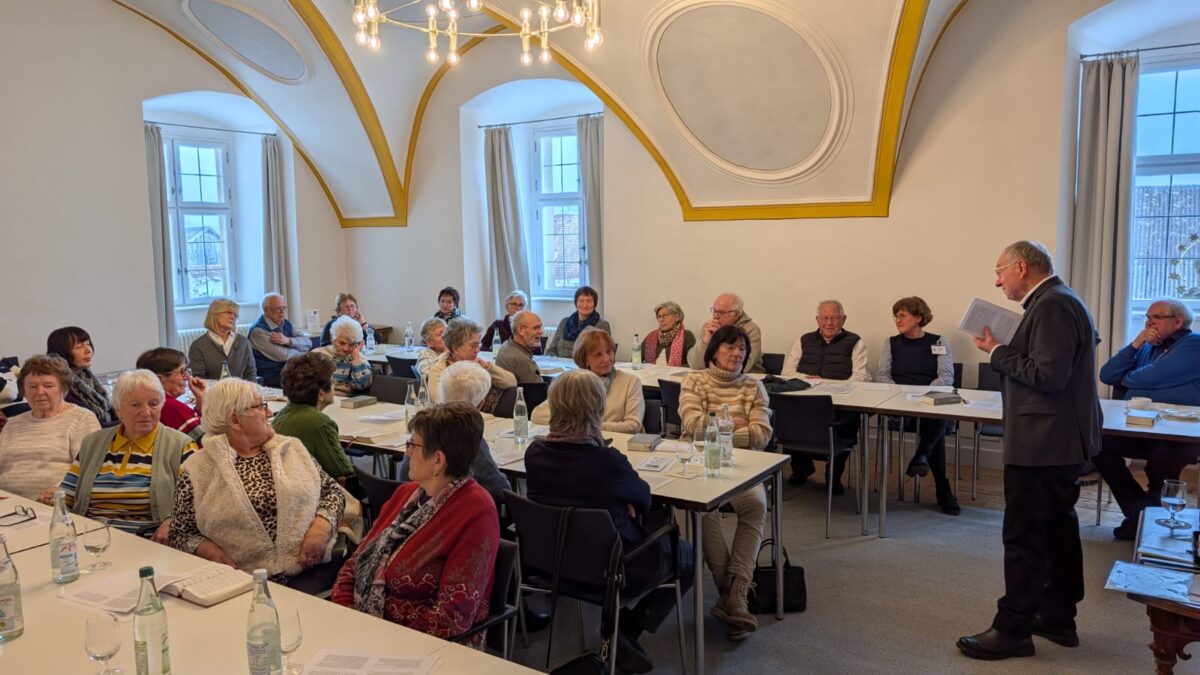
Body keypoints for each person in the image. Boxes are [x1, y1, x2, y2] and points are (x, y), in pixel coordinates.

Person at [958, 240, 1101, 660]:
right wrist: (1003, 348)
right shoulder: (1060, 299)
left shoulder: (1053, 304)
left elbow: (1049, 375)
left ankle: (1013, 629)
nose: (997, 279)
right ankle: (1057, 616)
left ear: (1022, 267)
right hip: (1056, 440)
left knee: (1024, 535)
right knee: (1057, 528)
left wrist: (998, 352)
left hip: (1044, 442)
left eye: (1000, 270)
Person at [525, 370, 693, 672]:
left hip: (554, 562)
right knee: (690, 556)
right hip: (615, 566)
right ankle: (627, 628)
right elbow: (643, 499)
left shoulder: (535, 453)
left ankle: (619, 631)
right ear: (597, 408)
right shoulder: (607, 461)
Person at [332, 403, 500, 646]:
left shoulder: (476, 511)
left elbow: (452, 616)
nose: (407, 451)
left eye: (412, 444)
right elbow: (355, 563)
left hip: (424, 647)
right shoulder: (406, 495)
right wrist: (345, 615)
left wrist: (380, 640)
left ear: (438, 460)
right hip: (365, 631)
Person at [169, 378, 345, 591]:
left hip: (308, 570)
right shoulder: (197, 469)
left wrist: (321, 528)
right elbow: (180, 533)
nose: (269, 412)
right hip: (239, 581)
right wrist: (208, 551)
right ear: (235, 420)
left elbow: (333, 491)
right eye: (260, 406)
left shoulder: (291, 448)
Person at [679, 325, 771, 640]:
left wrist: (716, 423)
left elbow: (762, 436)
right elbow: (692, 427)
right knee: (705, 510)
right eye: (730, 347)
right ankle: (734, 597)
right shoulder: (694, 380)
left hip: (745, 467)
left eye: (742, 349)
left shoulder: (754, 386)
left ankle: (733, 594)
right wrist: (735, 423)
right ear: (714, 349)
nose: (737, 354)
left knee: (757, 505)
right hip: (701, 464)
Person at [1095, 298, 1200, 539]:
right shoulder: (1147, 346)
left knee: (1162, 461)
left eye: (1156, 317)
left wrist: (1129, 381)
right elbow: (1108, 374)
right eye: (1147, 317)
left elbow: (1146, 379)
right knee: (1097, 444)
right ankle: (1141, 514)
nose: (1149, 323)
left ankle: (1143, 522)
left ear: (1178, 321)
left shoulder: (1194, 344)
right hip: (1143, 427)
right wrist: (1135, 344)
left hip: (1181, 432)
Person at [57, 370, 197, 540]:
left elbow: (197, 503)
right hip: (92, 539)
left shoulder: (181, 445)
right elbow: (67, 497)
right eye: (135, 405)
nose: (146, 412)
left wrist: (172, 522)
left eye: (153, 404)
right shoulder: (93, 443)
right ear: (118, 409)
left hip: (150, 543)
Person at [874, 297, 960, 515]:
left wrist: (922, 395)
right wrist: (900, 395)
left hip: (927, 400)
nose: (897, 320)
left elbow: (946, 377)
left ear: (919, 317)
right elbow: (882, 375)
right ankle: (940, 485)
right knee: (936, 425)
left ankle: (924, 459)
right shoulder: (890, 343)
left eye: (902, 315)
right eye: (896, 316)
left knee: (935, 414)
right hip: (898, 403)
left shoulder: (939, 341)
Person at [780, 300, 870, 490]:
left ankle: (834, 475)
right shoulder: (803, 340)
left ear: (843, 320)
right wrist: (809, 379)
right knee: (785, 416)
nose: (829, 323)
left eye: (835, 318)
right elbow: (787, 372)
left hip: (840, 402)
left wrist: (829, 385)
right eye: (825, 318)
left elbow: (861, 376)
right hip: (805, 401)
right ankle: (802, 468)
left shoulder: (855, 342)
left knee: (848, 422)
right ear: (817, 320)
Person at [398, 360, 511, 503]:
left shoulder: (423, 427)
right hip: (459, 511)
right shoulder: (466, 435)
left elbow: (403, 477)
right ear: (480, 404)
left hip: (417, 504)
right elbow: (499, 490)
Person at [0, 355, 100, 499]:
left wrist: (61, 490)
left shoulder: (81, 418)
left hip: (54, 504)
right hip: (8, 505)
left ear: (64, 389)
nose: (40, 392)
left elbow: (89, 469)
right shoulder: (13, 424)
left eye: (48, 386)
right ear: (24, 391)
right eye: (33, 386)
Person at [272, 353, 359, 495]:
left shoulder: (282, 414)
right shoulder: (320, 423)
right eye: (331, 381)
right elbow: (343, 472)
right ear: (320, 393)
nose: (334, 384)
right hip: (314, 493)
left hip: (289, 489)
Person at [532, 328, 644, 433]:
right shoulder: (574, 381)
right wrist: (581, 425)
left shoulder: (631, 382)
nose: (606, 359)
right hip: (582, 443)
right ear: (585, 359)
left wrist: (588, 426)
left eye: (609, 352)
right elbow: (538, 415)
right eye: (598, 355)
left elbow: (633, 425)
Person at [427, 319, 516, 412]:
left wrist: (488, 367)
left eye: (478, 345)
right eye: (473, 345)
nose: (478, 350)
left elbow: (512, 382)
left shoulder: (478, 364)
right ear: (455, 347)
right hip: (456, 419)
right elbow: (441, 402)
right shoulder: (439, 368)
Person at [46, 326, 116, 426]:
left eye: (88, 344)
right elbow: (91, 424)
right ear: (61, 353)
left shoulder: (85, 375)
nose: (88, 350)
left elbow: (110, 411)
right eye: (79, 347)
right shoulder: (61, 387)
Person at [136, 348, 206, 443]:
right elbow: (208, 443)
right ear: (160, 379)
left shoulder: (147, 401)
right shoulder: (171, 407)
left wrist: (201, 399)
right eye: (182, 372)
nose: (187, 376)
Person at [687, 292, 764, 374]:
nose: (715, 316)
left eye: (721, 313)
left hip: (748, 378)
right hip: (712, 377)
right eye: (714, 311)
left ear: (736, 314)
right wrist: (705, 341)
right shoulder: (709, 328)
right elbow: (695, 365)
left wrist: (722, 337)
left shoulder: (751, 329)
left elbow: (743, 367)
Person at [249, 293, 312, 388]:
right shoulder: (258, 331)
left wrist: (288, 341)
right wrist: (305, 353)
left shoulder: (286, 323)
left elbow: (308, 342)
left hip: (290, 370)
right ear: (266, 310)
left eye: (284, 308)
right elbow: (284, 355)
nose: (282, 312)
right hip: (271, 375)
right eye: (278, 308)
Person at [188, 297, 256, 381]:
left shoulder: (243, 342)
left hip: (241, 392)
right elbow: (199, 379)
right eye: (229, 312)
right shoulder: (198, 346)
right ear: (215, 314)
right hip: (212, 393)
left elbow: (250, 374)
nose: (233, 317)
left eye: (235, 314)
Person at [313, 316, 374, 396]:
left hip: (346, 403)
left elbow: (362, 385)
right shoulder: (318, 355)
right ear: (332, 339)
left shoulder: (359, 359)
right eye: (342, 343)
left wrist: (356, 359)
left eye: (351, 344)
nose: (346, 349)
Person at [546, 286, 611, 358]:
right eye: (581, 301)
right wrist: (553, 361)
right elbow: (552, 349)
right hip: (560, 366)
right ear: (576, 303)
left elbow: (604, 354)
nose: (585, 305)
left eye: (589, 301)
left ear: (594, 304)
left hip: (585, 367)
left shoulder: (601, 325)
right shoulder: (564, 322)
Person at [494, 310, 544, 384]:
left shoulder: (507, 343)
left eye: (540, 328)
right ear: (521, 330)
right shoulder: (522, 360)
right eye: (536, 328)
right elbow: (538, 391)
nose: (540, 332)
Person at [639, 301, 695, 367]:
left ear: (677, 317)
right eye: (659, 316)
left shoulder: (687, 335)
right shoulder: (651, 337)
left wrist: (671, 370)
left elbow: (693, 363)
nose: (661, 319)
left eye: (665, 315)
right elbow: (635, 359)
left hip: (675, 376)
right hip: (650, 375)